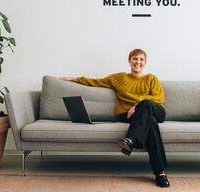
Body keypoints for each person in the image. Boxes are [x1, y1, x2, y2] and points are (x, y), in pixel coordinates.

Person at [60, 49, 170, 188]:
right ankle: (160, 173)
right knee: (151, 124)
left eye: (141, 59)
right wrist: (75, 79)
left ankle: (131, 139)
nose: (138, 62)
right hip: (131, 116)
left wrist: (138, 104)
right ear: (129, 61)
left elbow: (159, 98)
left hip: (155, 111)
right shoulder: (119, 78)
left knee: (146, 104)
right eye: (135, 58)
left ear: (145, 63)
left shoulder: (151, 78)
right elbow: (96, 81)